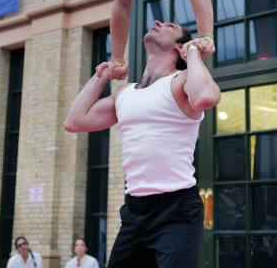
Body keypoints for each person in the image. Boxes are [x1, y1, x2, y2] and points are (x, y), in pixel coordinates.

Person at [64, 20, 220, 267]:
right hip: (135, 210)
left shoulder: (181, 82)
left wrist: (192, 53)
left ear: (178, 46)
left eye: (169, 25)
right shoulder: (124, 93)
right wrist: (101, 77)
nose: (157, 22)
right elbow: (74, 121)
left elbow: (206, 97)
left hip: (176, 210)